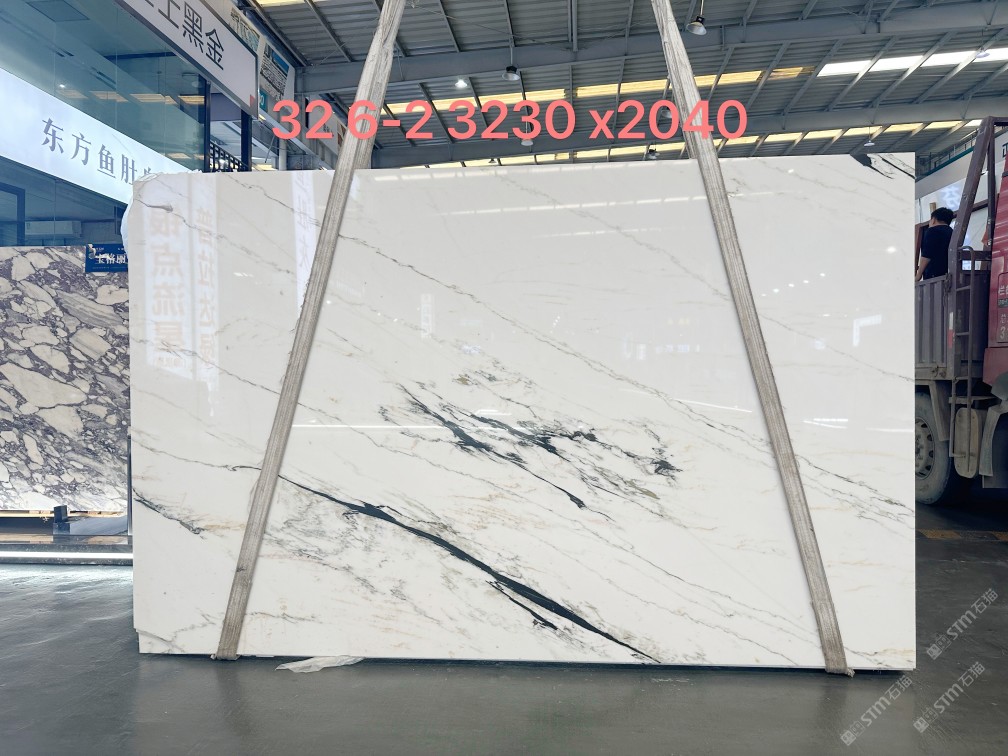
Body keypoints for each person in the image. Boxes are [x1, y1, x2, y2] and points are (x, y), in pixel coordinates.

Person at [915, 207, 955, 281]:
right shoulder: (952, 232)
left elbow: (927, 254)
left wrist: (919, 275)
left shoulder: (932, 231)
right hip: (950, 274)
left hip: (934, 276)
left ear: (933, 220)